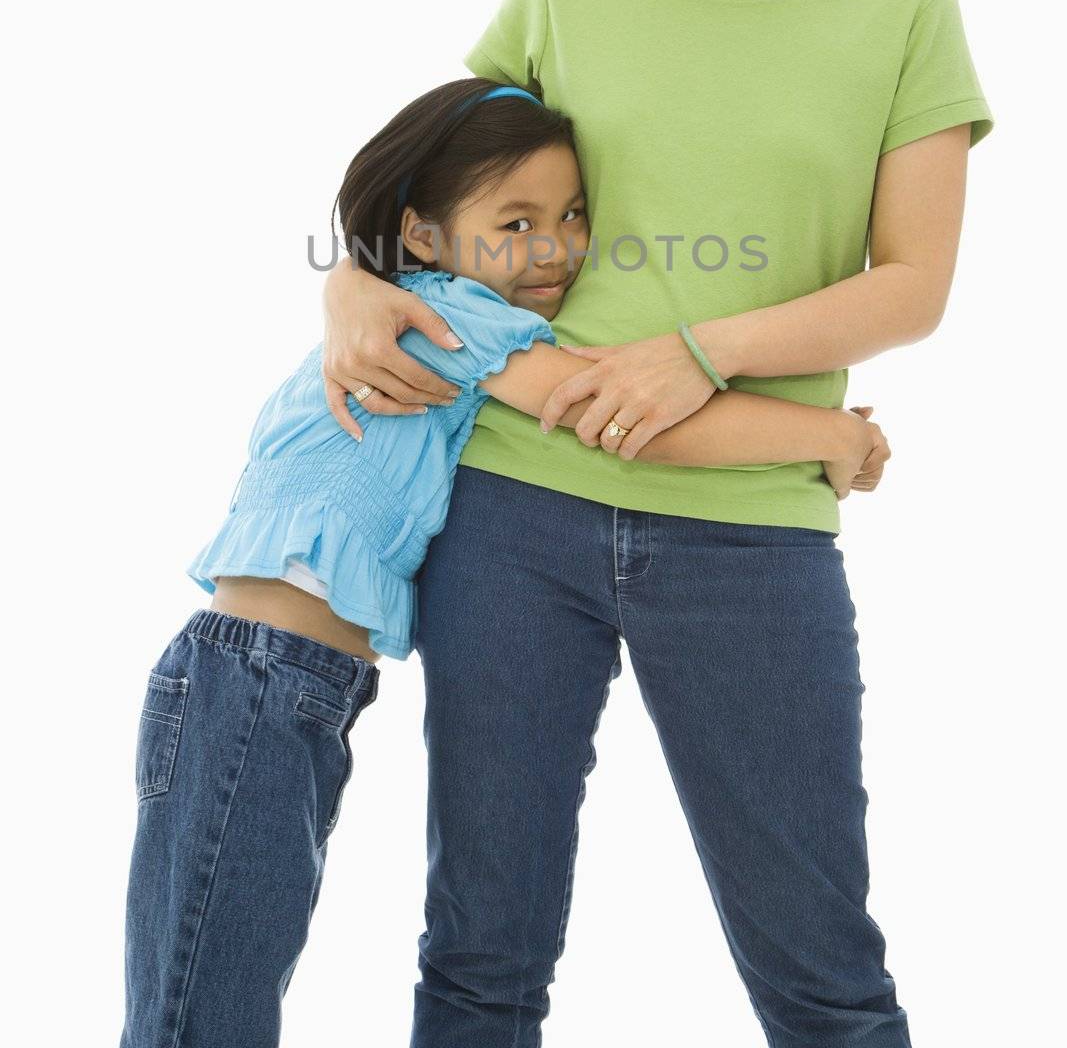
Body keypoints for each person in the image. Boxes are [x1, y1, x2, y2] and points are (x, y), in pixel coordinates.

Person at [322, 0, 995, 1047]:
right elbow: (416, 194)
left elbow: (908, 284)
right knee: (478, 959)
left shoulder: (899, 15)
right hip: (508, 514)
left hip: (748, 534)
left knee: (820, 975)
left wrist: (697, 346)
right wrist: (347, 287)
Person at [119, 79, 887, 1048]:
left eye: (570, 215)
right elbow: (626, 418)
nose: (554, 247)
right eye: (513, 220)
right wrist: (823, 432)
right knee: (202, 997)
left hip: (294, 682)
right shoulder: (451, 318)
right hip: (257, 678)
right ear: (427, 237)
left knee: (217, 983)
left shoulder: (425, 319)